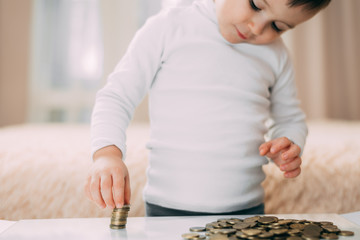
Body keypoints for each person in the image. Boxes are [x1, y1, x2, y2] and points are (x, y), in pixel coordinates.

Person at [85, 0, 331, 216]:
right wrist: (107, 154)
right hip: (167, 207)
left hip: (247, 211)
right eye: (255, 4)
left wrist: (288, 143)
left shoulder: (277, 55)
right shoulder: (168, 27)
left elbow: (291, 118)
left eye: (278, 26)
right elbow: (117, 96)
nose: (257, 28)